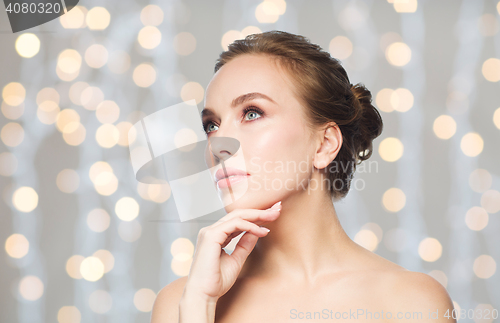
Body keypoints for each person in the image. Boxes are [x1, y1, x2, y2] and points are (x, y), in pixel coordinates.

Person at [151, 30, 456, 323]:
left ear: (324, 144)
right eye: (211, 125)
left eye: (252, 113)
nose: (218, 145)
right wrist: (199, 304)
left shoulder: (412, 301)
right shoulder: (181, 303)